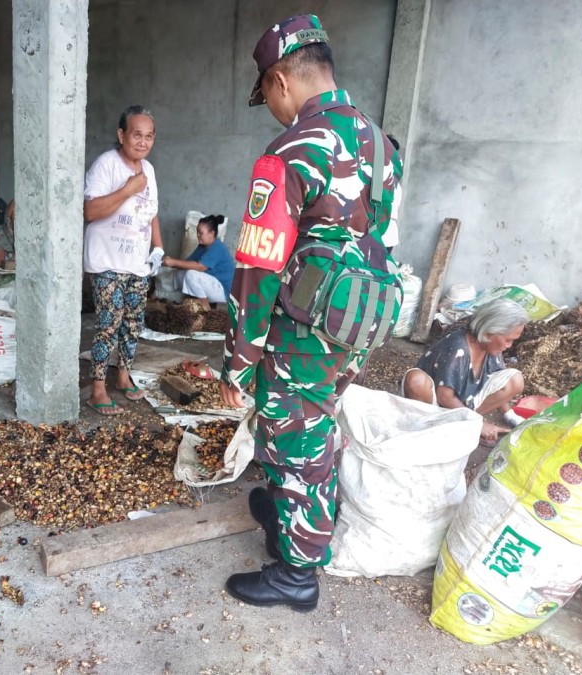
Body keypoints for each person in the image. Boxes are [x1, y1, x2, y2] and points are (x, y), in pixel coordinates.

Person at [219, 15, 403, 610]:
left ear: (279, 80)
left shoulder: (293, 147)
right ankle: (285, 509)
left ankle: (297, 574)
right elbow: (383, 241)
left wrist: (239, 362)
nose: (272, 109)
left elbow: (258, 267)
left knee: (300, 438)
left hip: (303, 326)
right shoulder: (380, 142)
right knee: (310, 422)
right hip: (357, 319)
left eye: (267, 96)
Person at [83, 105, 164, 416]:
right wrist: (128, 188)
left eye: (148, 136)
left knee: (133, 324)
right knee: (108, 322)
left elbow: (151, 212)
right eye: (136, 135)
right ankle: (98, 389)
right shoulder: (106, 165)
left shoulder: (150, 170)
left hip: (136, 263)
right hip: (106, 261)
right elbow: (90, 212)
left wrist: (158, 248)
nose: (142, 142)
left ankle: (123, 376)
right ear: (121, 135)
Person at [402, 299, 527, 442]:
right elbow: (445, 397)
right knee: (416, 380)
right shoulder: (456, 347)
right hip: (436, 407)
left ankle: (462, 424)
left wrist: (511, 416)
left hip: (461, 405)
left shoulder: (490, 347)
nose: (509, 346)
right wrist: (478, 424)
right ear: (488, 332)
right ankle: (436, 429)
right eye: (508, 340)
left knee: (514, 380)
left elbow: (497, 381)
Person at [162, 215, 235, 310]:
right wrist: (167, 262)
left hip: (223, 290)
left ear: (211, 233)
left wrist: (173, 262)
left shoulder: (218, 247)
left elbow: (200, 267)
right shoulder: (202, 247)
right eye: (197, 232)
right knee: (180, 274)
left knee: (191, 275)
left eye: (201, 233)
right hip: (211, 285)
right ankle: (189, 302)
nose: (198, 235)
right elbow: (187, 263)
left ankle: (206, 308)